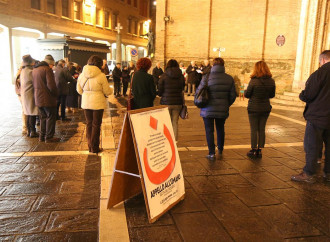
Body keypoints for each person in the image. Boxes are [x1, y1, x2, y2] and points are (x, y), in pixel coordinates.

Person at [291, 50, 330, 183]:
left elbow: (309, 94)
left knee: (312, 145)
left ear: (323, 60)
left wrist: (302, 95)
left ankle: (309, 173)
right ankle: (328, 173)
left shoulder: (319, 74)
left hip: (317, 116)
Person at [196, 57, 236, 161]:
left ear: (213, 65)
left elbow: (198, 92)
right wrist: (226, 104)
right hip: (222, 109)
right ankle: (221, 149)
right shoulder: (229, 78)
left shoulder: (206, 77)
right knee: (220, 128)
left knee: (209, 131)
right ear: (223, 65)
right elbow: (233, 96)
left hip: (207, 109)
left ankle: (211, 153)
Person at [77, 55, 112, 153]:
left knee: (89, 123)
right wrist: (111, 90)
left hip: (86, 102)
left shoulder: (82, 75)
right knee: (96, 124)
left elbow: (79, 90)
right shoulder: (101, 76)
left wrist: (86, 94)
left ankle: (90, 145)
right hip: (98, 103)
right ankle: (95, 147)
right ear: (99, 64)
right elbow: (107, 91)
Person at [244, 61, 276, 159]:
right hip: (265, 108)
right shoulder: (271, 81)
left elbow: (247, 94)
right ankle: (259, 150)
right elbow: (272, 95)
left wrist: (245, 90)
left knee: (254, 129)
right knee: (262, 129)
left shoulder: (253, 81)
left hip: (253, 108)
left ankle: (253, 149)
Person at [32, 54, 58, 143]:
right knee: (51, 116)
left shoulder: (35, 69)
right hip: (47, 98)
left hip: (38, 98)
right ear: (49, 63)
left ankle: (42, 136)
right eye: (52, 64)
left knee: (42, 117)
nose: (53, 66)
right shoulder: (47, 70)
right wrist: (56, 94)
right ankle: (49, 137)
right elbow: (51, 86)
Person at [158, 59, 185, 140]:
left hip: (166, 102)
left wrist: (161, 94)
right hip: (177, 102)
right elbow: (182, 87)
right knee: (175, 122)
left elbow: (160, 90)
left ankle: (167, 140)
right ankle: (174, 141)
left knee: (166, 122)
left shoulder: (164, 76)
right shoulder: (181, 76)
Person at [20, 55, 39, 138]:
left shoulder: (23, 71)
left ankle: (28, 131)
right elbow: (35, 82)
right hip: (30, 94)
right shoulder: (31, 71)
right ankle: (33, 131)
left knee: (27, 112)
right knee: (32, 113)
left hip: (24, 94)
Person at [15, 65, 28, 134]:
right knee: (25, 111)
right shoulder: (21, 74)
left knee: (24, 110)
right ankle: (25, 127)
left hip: (20, 94)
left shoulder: (18, 73)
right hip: (22, 95)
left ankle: (25, 127)